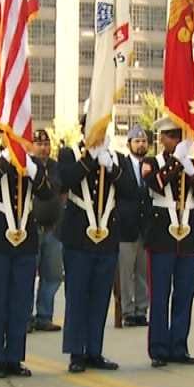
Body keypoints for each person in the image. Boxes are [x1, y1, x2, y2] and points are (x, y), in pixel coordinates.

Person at [57, 121, 132, 373]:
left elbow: (131, 191)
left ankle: (94, 350)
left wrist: (110, 166)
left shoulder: (116, 159)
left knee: (100, 297)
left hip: (107, 238)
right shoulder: (71, 154)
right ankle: (76, 352)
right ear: (83, 130)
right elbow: (65, 180)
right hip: (79, 237)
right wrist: (89, 159)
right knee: (77, 296)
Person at [0, 143, 51, 378]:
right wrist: (8, 157)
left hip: (25, 239)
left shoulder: (32, 162)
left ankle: (15, 357)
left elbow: (46, 192)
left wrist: (30, 166)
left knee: (21, 302)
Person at [142, 115, 194, 368]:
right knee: (160, 295)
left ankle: (179, 345)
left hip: (188, 238)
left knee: (185, 294)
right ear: (161, 138)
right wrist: (176, 162)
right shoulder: (153, 162)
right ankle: (159, 348)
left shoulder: (193, 164)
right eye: (171, 136)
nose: (176, 140)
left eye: (180, 136)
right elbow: (156, 184)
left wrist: (191, 169)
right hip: (162, 235)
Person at [28, 129, 64, 333]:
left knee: (52, 275)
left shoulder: (55, 167)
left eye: (46, 144)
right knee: (27, 276)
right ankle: (26, 317)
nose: (43, 148)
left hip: (53, 229)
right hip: (32, 228)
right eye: (39, 144)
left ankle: (44, 315)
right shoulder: (27, 165)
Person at [117, 125, 152, 328]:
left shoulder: (151, 164)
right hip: (126, 227)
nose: (141, 144)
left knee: (142, 273)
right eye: (137, 141)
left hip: (145, 228)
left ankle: (141, 310)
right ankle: (128, 311)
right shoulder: (122, 164)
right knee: (125, 273)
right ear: (129, 143)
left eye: (144, 141)